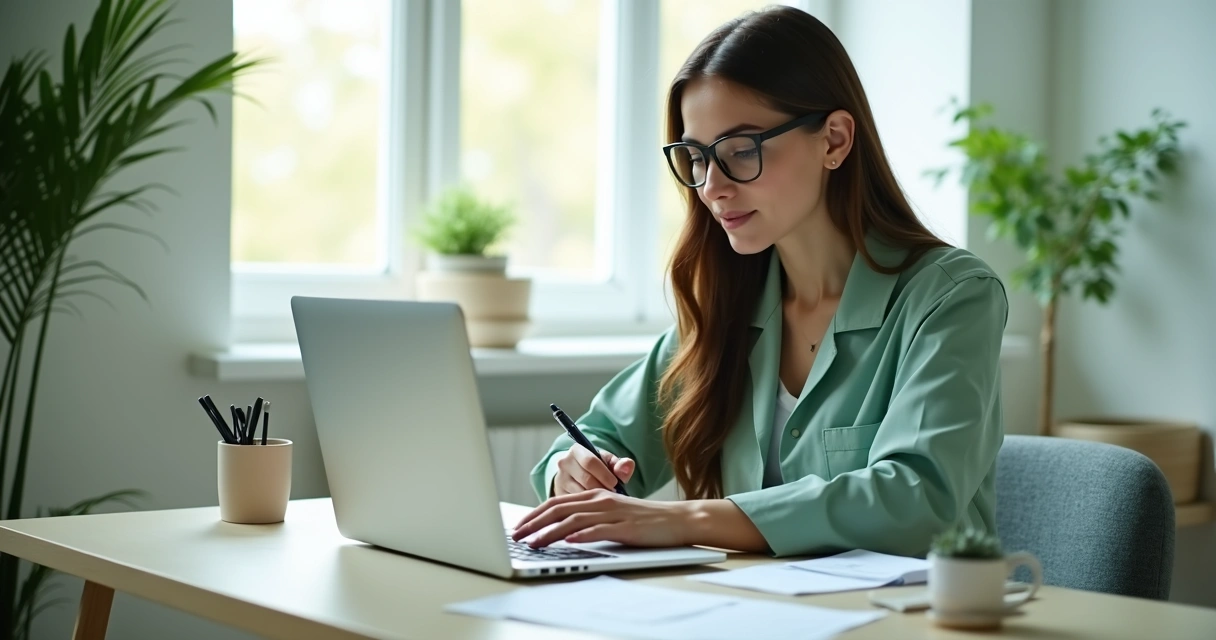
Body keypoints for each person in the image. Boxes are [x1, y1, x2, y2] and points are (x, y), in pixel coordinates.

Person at [511, 5, 1007, 558]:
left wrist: (682, 520)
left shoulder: (951, 296)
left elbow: (916, 500)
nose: (711, 187)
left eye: (741, 151)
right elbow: (598, 437)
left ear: (835, 140)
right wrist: (574, 472)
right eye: (695, 157)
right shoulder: (728, 304)